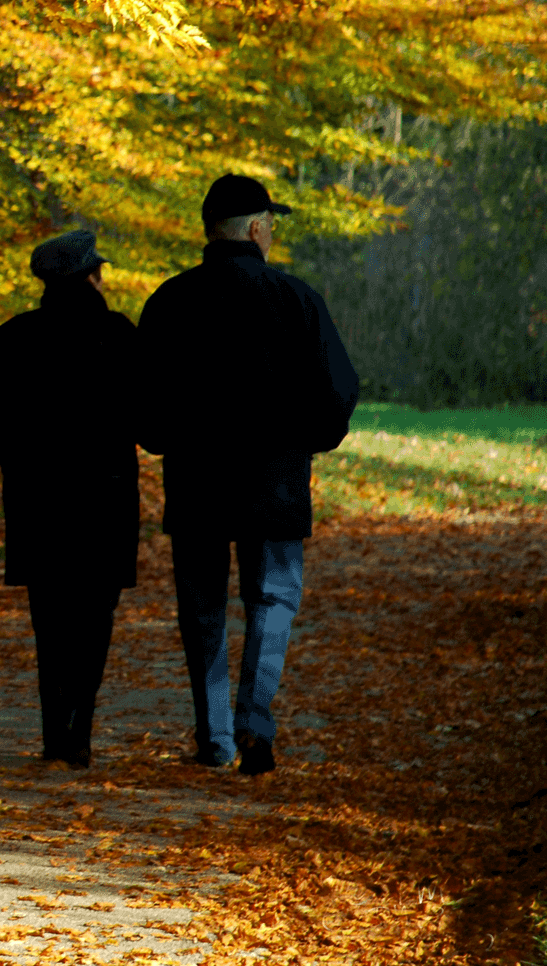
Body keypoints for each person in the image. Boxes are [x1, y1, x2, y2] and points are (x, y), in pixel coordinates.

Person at [136, 174, 359, 775]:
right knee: (274, 601)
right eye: (271, 225)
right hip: (275, 483)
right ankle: (254, 720)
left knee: (203, 609)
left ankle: (214, 739)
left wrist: (163, 440)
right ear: (258, 229)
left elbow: (143, 400)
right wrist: (306, 443)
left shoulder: (170, 301)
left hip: (197, 484)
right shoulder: (297, 298)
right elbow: (339, 390)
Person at [0, 229, 141, 768]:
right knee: (96, 615)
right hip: (105, 499)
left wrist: (18, 461)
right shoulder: (118, 336)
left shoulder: (12, 338)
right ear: (91, 277)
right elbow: (146, 412)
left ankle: (53, 732)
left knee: (49, 617)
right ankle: (81, 728)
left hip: (37, 498)